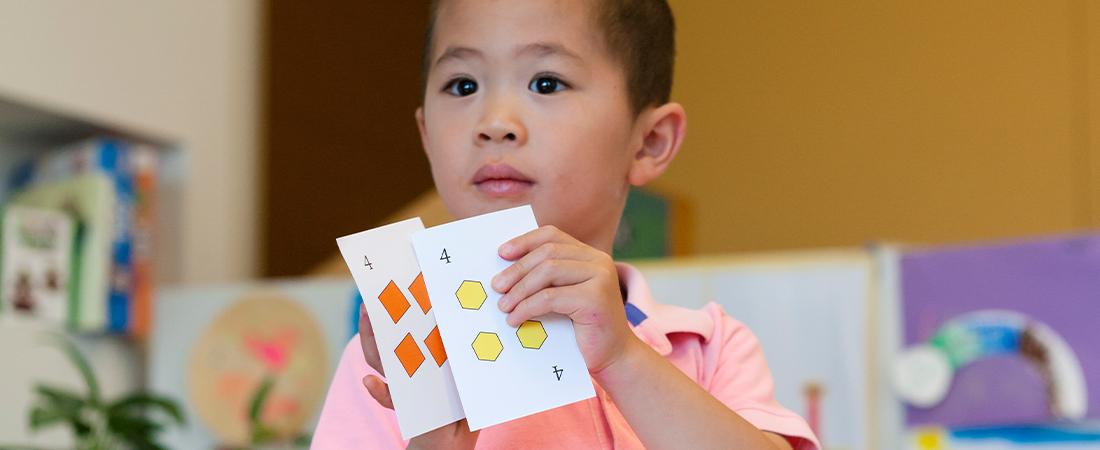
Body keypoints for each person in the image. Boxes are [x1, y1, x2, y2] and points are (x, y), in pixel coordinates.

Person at [313, 0, 820, 448]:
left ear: (649, 143)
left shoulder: (709, 347)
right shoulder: (390, 359)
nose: (494, 122)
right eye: (463, 85)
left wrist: (623, 358)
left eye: (546, 82)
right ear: (426, 136)